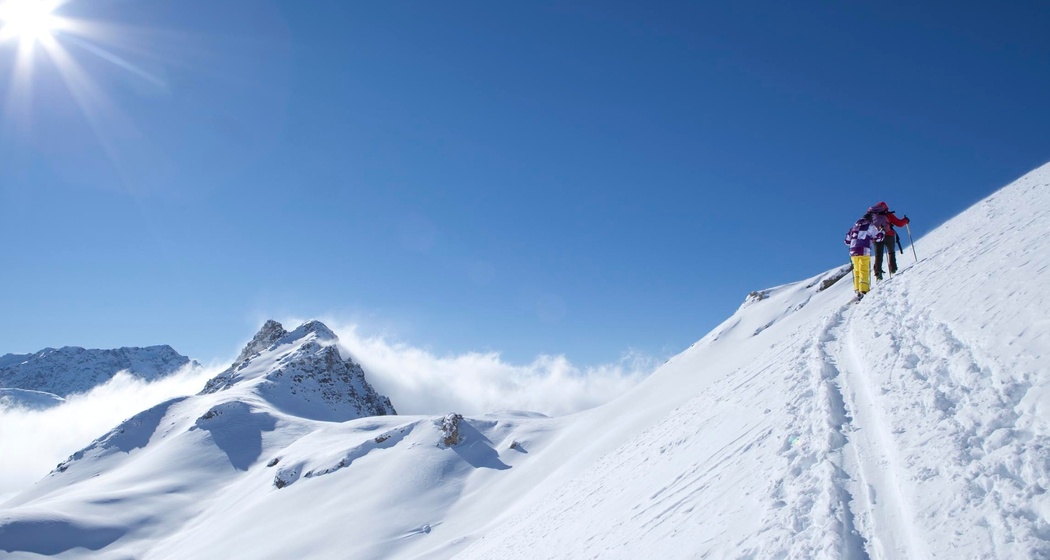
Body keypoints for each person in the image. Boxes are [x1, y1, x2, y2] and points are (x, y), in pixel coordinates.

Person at [844, 213, 884, 300]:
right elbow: (878, 237)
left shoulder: (853, 228)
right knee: (863, 270)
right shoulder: (870, 226)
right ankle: (863, 290)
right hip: (864, 250)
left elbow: (847, 241)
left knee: (857, 270)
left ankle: (857, 290)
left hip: (853, 251)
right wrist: (882, 232)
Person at [866, 201, 910, 280]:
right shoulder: (888, 214)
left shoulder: (872, 215)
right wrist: (906, 220)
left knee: (878, 255)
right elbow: (899, 223)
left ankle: (878, 274)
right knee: (891, 252)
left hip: (876, 237)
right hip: (889, 234)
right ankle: (893, 269)